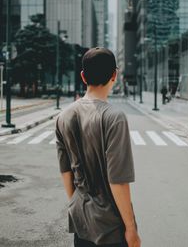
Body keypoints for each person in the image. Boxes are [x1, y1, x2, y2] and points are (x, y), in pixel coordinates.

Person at [56, 47, 141, 247]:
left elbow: (66, 171)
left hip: (81, 222)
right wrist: (131, 228)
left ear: (83, 77)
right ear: (114, 75)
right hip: (110, 227)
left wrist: (79, 206)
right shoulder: (114, 117)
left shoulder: (63, 116)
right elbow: (118, 180)